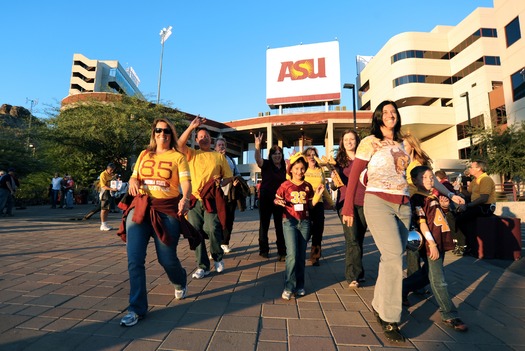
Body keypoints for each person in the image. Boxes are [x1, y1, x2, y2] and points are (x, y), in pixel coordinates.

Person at [341, 100, 411, 342]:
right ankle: (391, 317)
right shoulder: (369, 141)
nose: (391, 114)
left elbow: (411, 173)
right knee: (393, 255)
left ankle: (379, 304)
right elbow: (353, 179)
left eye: (394, 111)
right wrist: (348, 208)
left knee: (391, 256)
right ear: (379, 118)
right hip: (377, 200)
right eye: (386, 112)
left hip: (403, 204)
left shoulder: (403, 144)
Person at [118, 117, 192, 327]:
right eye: (158, 130)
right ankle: (136, 309)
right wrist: (132, 181)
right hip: (140, 208)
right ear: (153, 133)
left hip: (166, 210)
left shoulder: (178, 157)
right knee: (134, 260)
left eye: (166, 131)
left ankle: (179, 280)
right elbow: (135, 177)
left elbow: (186, 182)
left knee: (166, 259)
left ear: (172, 134)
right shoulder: (144, 154)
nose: (162, 134)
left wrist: (185, 199)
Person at [402, 165, 468, 332]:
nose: (429, 180)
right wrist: (431, 244)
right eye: (424, 177)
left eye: (431, 177)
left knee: (427, 275)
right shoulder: (417, 198)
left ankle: (402, 288)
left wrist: (444, 207)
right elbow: (422, 223)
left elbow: (437, 219)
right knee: (439, 279)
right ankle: (449, 313)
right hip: (432, 243)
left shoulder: (431, 195)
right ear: (415, 180)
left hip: (440, 240)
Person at [177, 116, 233, 279]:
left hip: (211, 199)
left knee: (213, 228)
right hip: (194, 200)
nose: (203, 138)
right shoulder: (191, 154)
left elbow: (229, 177)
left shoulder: (218, 156)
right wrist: (191, 126)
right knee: (196, 232)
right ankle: (203, 266)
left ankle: (217, 257)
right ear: (196, 139)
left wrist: (220, 182)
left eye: (206, 136)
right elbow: (179, 144)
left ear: (211, 139)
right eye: (200, 136)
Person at [274, 153, 324, 300]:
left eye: (302, 168)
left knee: (301, 256)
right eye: (296, 168)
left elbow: (309, 205)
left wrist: (318, 195)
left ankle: (300, 285)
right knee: (292, 255)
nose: (299, 171)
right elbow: (276, 200)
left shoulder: (307, 186)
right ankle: (289, 286)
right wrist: (278, 203)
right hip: (289, 222)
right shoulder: (285, 185)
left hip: (305, 223)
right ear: (291, 169)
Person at [332, 130, 367, 288]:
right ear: (342, 142)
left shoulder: (365, 158)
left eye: (352, 139)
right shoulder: (338, 161)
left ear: (357, 141)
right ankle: (352, 276)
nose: (349, 142)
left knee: (359, 239)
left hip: (364, 201)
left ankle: (359, 272)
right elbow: (335, 185)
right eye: (346, 139)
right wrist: (333, 180)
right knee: (352, 239)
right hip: (346, 202)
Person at [254, 132, 287, 260]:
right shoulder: (266, 164)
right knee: (264, 225)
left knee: (280, 226)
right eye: (275, 154)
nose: (277, 156)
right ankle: (264, 250)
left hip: (279, 200)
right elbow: (258, 159)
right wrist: (257, 146)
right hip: (266, 199)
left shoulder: (284, 166)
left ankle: (282, 251)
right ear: (271, 155)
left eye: (279, 153)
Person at [454, 160, 496, 255]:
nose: (469, 169)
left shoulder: (485, 179)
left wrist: (468, 206)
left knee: (462, 218)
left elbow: (484, 198)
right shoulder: (474, 180)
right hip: (475, 205)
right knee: (455, 215)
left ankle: (465, 245)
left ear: (479, 168)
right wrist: (460, 188)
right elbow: (468, 194)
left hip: (485, 207)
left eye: (472, 167)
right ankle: (464, 244)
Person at [214, 137, 240, 254]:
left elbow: (237, 173)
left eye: (223, 145)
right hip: (216, 194)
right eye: (219, 145)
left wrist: (235, 180)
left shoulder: (231, 160)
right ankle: (214, 246)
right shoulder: (212, 159)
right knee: (216, 221)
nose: (221, 147)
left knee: (229, 219)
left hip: (230, 193)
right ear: (215, 147)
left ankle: (225, 242)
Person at [303, 147, 326, 266]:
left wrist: (331, 203)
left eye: (314, 154)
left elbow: (324, 188)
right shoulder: (303, 170)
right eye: (309, 155)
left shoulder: (320, 170)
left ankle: (315, 257)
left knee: (318, 230)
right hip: (306, 203)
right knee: (306, 230)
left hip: (319, 204)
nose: (311, 157)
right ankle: (299, 252)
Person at [99, 163, 118, 231]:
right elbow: (103, 185)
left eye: (113, 170)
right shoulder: (103, 174)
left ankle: (105, 223)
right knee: (104, 208)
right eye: (111, 170)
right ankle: (102, 224)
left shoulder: (111, 175)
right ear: (107, 168)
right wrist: (112, 189)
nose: (112, 171)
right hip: (105, 192)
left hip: (110, 192)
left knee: (108, 208)